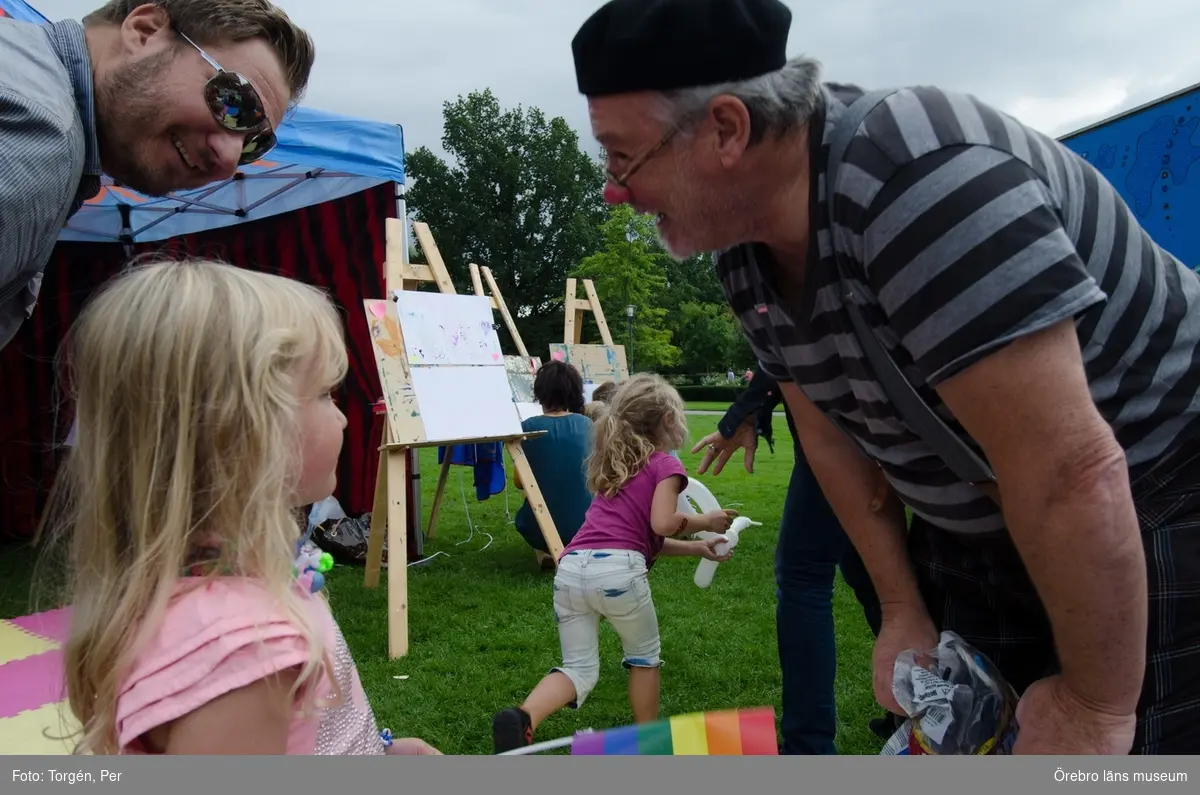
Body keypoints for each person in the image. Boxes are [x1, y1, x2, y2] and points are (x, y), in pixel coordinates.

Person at [572, 0, 1200, 754]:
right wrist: (901, 605)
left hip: (1155, 493)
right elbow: (834, 441)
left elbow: (1071, 470)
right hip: (994, 516)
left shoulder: (919, 183)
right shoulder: (745, 254)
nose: (614, 191)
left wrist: (1098, 708)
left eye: (621, 158)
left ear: (728, 130)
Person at [49, 259, 439, 755]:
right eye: (323, 394)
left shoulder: (212, 590)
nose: (343, 417)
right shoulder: (242, 652)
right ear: (240, 432)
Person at [0, 0, 314, 351]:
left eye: (255, 144)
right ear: (144, 31)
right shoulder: (42, 136)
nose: (229, 159)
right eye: (235, 103)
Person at [492, 373, 736, 753]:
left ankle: (523, 718)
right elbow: (661, 524)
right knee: (644, 659)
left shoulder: (615, 468)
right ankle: (649, 742)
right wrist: (708, 522)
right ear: (668, 421)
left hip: (571, 569)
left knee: (579, 667)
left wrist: (697, 550)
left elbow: (642, 538)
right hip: (619, 576)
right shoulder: (665, 468)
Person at [691, 363, 889, 754]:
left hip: (840, 433)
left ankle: (808, 747)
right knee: (866, 569)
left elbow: (781, 349)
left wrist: (739, 416)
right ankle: (915, 708)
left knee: (803, 576)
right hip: (863, 427)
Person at [514, 361, 594, 566]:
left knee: (532, 485)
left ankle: (546, 551)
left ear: (539, 392)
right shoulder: (587, 424)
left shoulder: (528, 427)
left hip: (538, 527)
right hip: (589, 525)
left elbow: (518, 482)